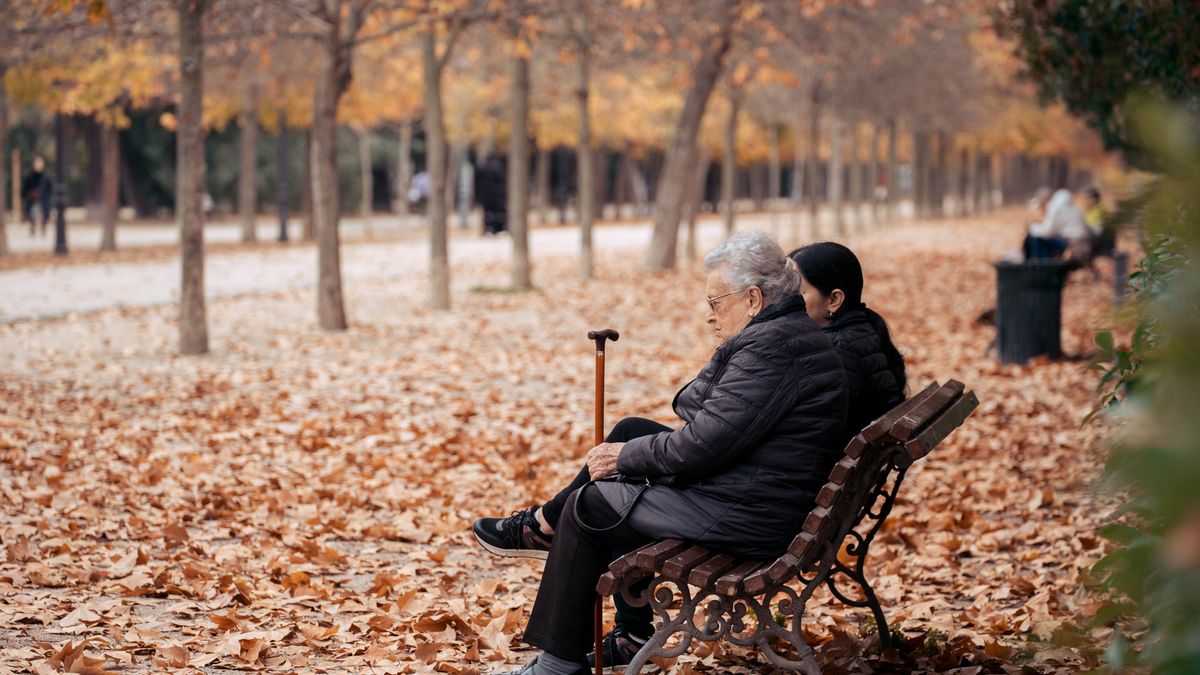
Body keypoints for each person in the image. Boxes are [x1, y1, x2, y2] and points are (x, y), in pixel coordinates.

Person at [479, 231, 849, 675]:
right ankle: (547, 534)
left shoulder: (773, 347)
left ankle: (559, 663)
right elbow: (708, 418)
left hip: (751, 513)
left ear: (753, 299)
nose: (710, 316)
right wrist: (633, 451)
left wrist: (624, 460)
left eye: (716, 302)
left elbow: (703, 442)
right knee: (630, 435)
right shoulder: (784, 334)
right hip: (760, 493)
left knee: (593, 505)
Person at [789, 242, 907, 438]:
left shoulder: (835, 353)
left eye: (798, 291)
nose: (785, 299)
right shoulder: (860, 332)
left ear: (834, 300)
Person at [1023, 187, 1091, 262]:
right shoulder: (1065, 205)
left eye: (1041, 203)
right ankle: (1041, 264)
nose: (1041, 207)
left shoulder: (1055, 207)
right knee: (1037, 238)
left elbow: (1048, 231)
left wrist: (1032, 228)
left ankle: (1042, 266)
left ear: (1045, 199)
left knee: (1034, 239)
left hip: (1073, 243)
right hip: (1079, 241)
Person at [475, 153, 507, 235]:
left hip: (486, 196)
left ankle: (489, 228)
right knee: (495, 213)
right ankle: (495, 228)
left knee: (489, 213)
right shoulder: (497, 169)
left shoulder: (481, 169)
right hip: (495, 196)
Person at [21, 156, 54, 237]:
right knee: (30, 212)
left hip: (44, 198)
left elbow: (50, 189)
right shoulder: (30, 176)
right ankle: (33, 225)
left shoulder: (46, 176)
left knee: (45, 212)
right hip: (32, 197)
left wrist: (45, 195)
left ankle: (43, 226)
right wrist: (29, 194)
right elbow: (25, 188)